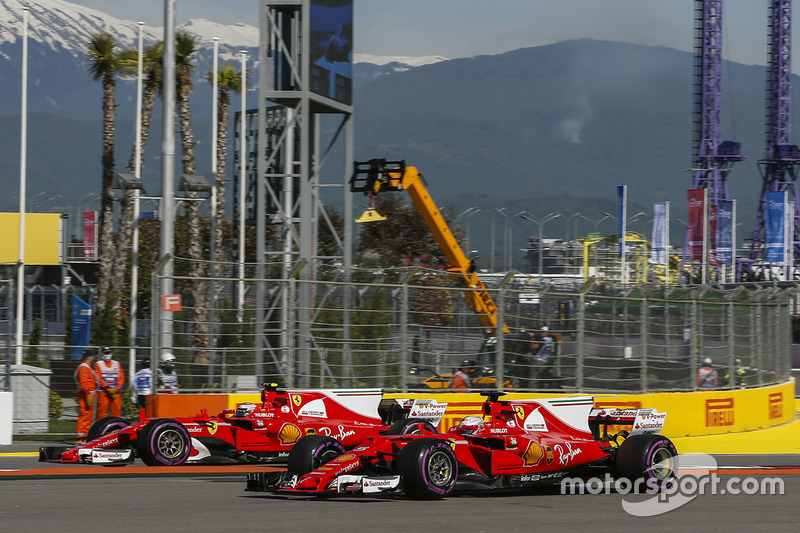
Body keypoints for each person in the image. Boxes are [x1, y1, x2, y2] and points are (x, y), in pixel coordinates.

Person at [74, 350, 100, 444]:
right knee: (85, 415)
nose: (93, 358)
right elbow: (83, 382)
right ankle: (79, 438)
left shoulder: (86, 367)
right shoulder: (84, 367)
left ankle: (85, 435)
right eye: (92, 356)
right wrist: (88, 393)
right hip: (86, 394)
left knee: (88, 415)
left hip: (88, 394)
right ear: (89, 357)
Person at [94, 346, 125, 418]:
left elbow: (121, 377)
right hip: (103, 392)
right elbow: (97, 378)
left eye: (109, 353)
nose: (107, 354)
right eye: (106, 353)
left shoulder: (117, 364)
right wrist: (107, 387)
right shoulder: (98, 364)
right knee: (101, 412)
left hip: (115, 392)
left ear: (111, 353)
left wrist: (117, 388)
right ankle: (100, 428)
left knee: (116, 411)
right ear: (102, 354)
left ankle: (117, 428)